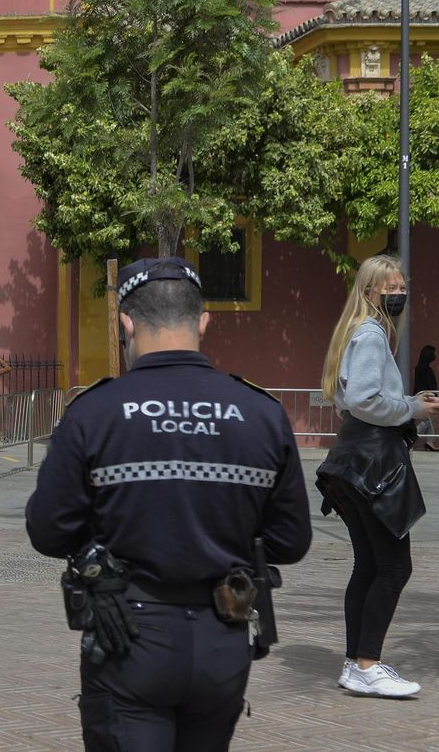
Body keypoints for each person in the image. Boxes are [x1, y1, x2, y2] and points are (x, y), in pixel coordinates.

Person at [25, 256, 312, 750]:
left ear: (126, 322)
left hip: (129, 636)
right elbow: (290, 541)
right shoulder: (260, 413)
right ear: (202, 320)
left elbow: (48, 530)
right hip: (225, 636)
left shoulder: (95, 411)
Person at [315, 254, 439, 698]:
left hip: (350, 462)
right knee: (393, 567)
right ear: (370, 292)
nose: (398, 294)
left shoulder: (356, 332)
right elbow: (366, 401)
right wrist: (412, 408)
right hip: (372, 464)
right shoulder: (371, 335)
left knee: (370, 565)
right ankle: (367, 663)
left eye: (401, 286)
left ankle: (356, 663)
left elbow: (350, 400)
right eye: (389, 288)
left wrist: (410, 400)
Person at [414, 343, 439, 451]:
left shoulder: (423, 368)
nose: (435, 355)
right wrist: (433, 395)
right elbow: (427, 385)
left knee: (432, 419)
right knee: (428, 420)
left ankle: (430, 442)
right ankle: (411, 435)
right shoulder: (423, 369)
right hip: (425, 396)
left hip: (428, 396)